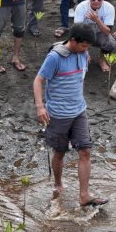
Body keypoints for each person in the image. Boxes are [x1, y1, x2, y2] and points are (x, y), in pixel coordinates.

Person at [33, 22, 108, 208]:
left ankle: (84, 195)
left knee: (85, 151)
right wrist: (40, 106)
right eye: (83, 46)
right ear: (73, 41)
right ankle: (58, 184)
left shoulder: (83, 53)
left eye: (88, 47)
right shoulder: (54, 58)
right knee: (59, 152)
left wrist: (85, 52)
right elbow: (38, 80)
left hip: (79, 111)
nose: (86, 50)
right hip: (57, 114)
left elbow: (82, 64)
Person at [72, 0, 116, 72]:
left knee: (111, 43)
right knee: (73, 40)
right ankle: (82, 56)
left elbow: (107, 32)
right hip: (83, 34)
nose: (96, 1)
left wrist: (97, 20)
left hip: (100, 34)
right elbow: (77, 30)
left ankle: (102, 60)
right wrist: (85, 50)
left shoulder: (109, 8)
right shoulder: (81, 7)